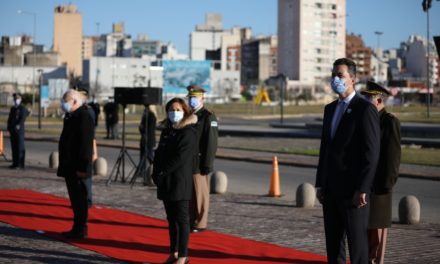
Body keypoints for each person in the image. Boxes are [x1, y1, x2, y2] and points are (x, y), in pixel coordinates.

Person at [315, 58, 380, 264]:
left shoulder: (364, 109)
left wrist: (363, 188)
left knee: (358, 247)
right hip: (331, 191)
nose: (335, 79)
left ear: (353, 79)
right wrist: (321, 183)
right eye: (333, 75)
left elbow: (372, 153)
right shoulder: (330, 109)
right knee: (334, 248)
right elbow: (325, 149)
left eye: (340, 75)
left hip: (353, 193)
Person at [152, 98, 198, 264]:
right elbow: (159, 153)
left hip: (179, 182)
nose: (174, 112)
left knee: (182, 220)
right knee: (171, 220)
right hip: (166, 182)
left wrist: (163, 171)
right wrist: (155, 171)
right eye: (171, 109)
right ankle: (174, 252)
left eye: (178, 109)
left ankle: (184, 256)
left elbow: (180, 158)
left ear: (185, 111)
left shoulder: (188, 132)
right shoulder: (168, 130)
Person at [361, 81, 401, 264]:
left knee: (376, 233)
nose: (364, 101)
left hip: (379, 187)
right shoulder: (365, 120)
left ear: (378, 100)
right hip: (363, 185)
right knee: (363, 230)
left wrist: (386, 185)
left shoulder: (389, 121)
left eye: (367, 98)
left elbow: (392, 157)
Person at [57, 89, 94, 239]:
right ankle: (77, 227)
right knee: (74, 199)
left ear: (74, 101)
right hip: (70, 166)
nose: (63, 103)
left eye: (65, 100)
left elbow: (86, 145)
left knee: (80, 200)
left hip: (78, 167)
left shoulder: (84, 116)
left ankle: (81, 228)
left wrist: (83, 168)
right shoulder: (72, 115)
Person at [186, 85, 218, 233]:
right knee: (190, 193)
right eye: (190, 97)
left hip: (199, 162)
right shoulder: (188, 115)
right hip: (187, 161)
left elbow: (211, 142)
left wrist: (207, 163)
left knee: (200, 193)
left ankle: (200, 222)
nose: (192, 100)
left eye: (195, 97)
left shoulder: (208, 116)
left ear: (202, 98)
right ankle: (191, 219)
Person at [7, 93, 29, 169]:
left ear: (20, 99)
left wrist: (17, 125)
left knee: (20, 147)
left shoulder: (22, 108)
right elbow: (10, 119)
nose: (16, 100)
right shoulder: (13, 108)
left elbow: (22, 118)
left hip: (19, 131)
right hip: (12, 130)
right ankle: (15, 163)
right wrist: (9, 127)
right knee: (14, 147)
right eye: (15, 99)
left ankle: (20, 164)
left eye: (17, 99)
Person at [138, 105, 157, 186]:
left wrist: (143, 128)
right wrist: (141, 128)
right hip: (144, 138)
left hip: (149, 139)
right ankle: (141, 171)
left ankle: (155, 169)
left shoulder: (152, 116)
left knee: (149, 155)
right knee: (142, 156)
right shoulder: (145, 115)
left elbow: (149, 129)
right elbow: (142, 127)